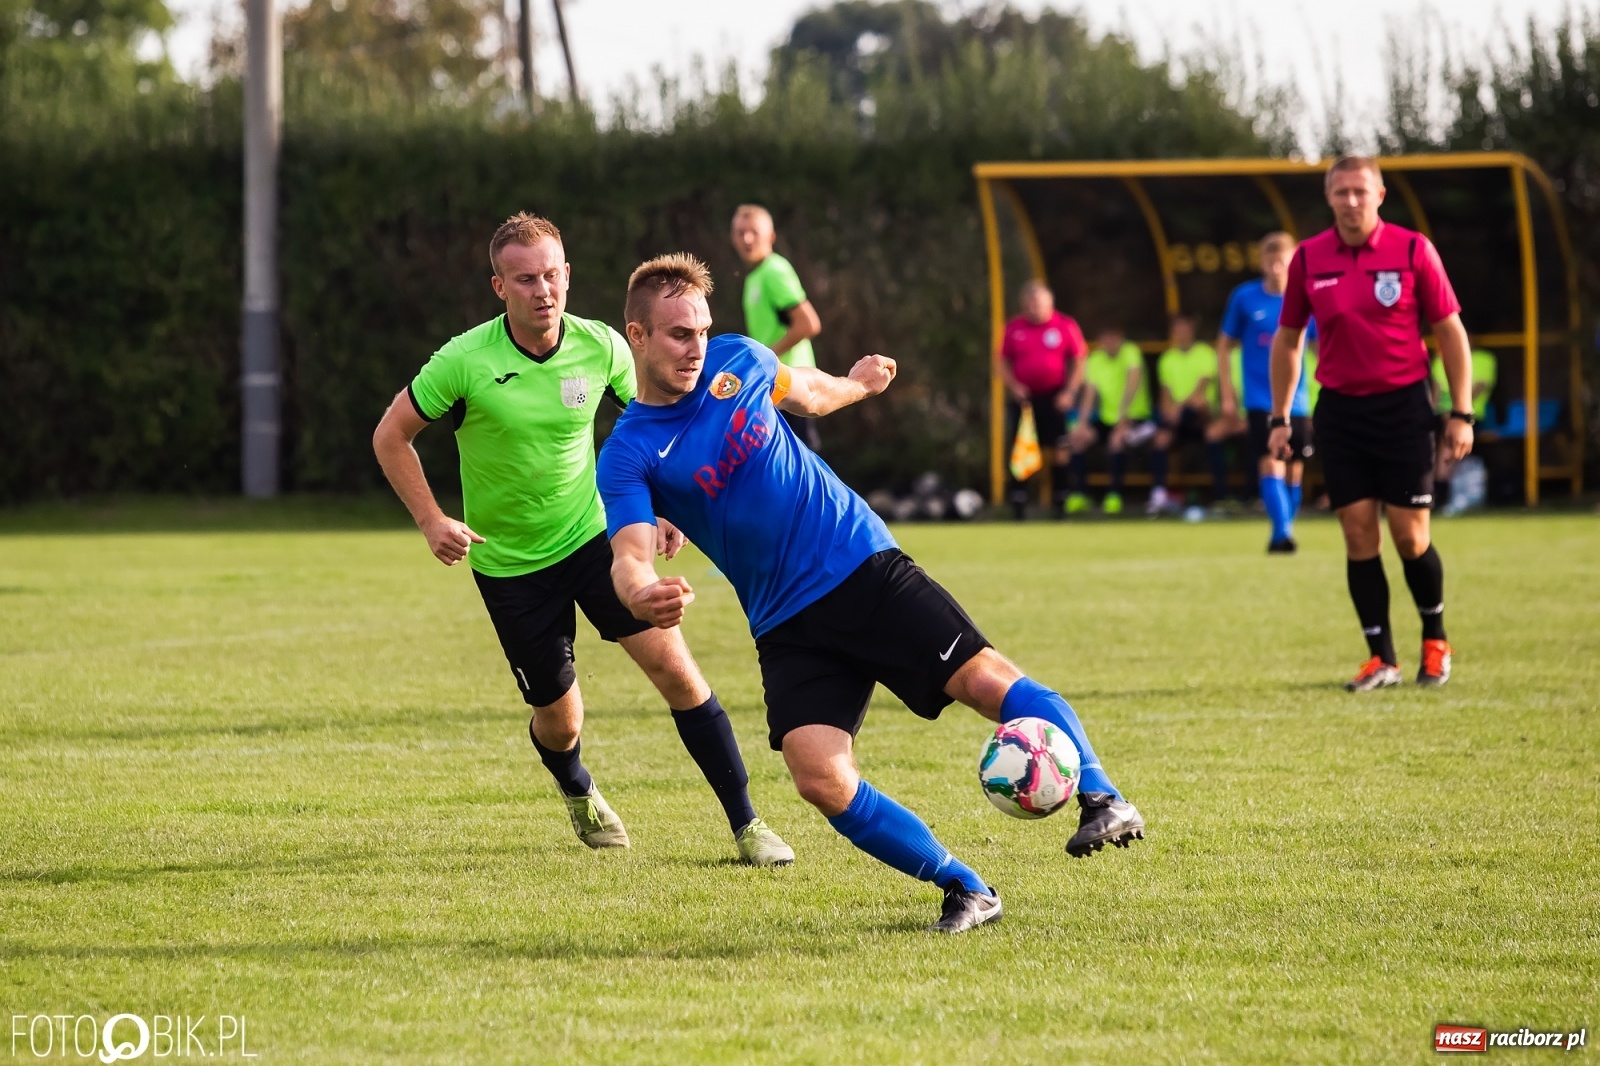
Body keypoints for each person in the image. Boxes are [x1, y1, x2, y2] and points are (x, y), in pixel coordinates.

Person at [597, 254, 1144, 934]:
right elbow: (628, 553)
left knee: (984, 681)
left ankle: (1102, 795)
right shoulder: (628, 453)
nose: (696, 346)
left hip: (858, 561)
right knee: (817, 775)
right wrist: (642, 594)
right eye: (679, 334)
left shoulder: (741, 360)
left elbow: (811, 393)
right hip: (784, 619)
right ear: (638, 336)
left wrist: (856, 386)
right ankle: (966, 887)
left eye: (703, 330)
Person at [372, 213, 793, 865]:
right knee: (562, 720)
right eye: (525, 279)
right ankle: (577, 786)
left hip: (597, 541)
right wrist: (432, 519)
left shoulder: (601, 346)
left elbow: (656, 420)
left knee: (677, 671)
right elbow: (390, 435)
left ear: (568, 275)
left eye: (551, 275)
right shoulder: (464, 361)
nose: (542, 290)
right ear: (499, 286)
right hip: (511, 566)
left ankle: (748, 825)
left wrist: (663, 503)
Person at [1268, 157, 1474, 690]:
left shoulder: (1412, 249)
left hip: (1404, 409)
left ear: (1380, 194)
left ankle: (1435, 640)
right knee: (1359, 535)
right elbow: (1288, 340)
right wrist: (1281, 415)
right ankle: (1381, 658)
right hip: (1339, 410)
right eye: (1341, 192)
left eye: (1361, 190)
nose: (1351, 201)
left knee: (1409, 536)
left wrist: (1461, 412)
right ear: (1329, 197)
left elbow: (1450, 332)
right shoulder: (1309, 258)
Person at [1218, 232, 1318, 552]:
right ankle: (1283, 532)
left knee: (1295, 470)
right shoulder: (1244, 298)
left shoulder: (1305, 297)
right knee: (1270, 460)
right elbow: (1224, 345)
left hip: (1300, 399)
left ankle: (1283, 528)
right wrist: (1228, 394)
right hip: (1263, 400)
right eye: (1270, 259)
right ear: (1261, 262)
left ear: (1293, 260)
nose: (1276, 265)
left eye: (1282, 258)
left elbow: (1319, 347)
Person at [731, 204, 824, 451]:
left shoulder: (775, 270)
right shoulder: (755, 277)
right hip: (777, 386)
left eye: (753, 232)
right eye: (740, 233)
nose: (746, 239)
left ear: (770, 237)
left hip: (795, 383)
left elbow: (808, 323)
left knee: (802, 462)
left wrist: (766, 357)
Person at [999, 279, 1088, 518]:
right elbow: (1002, 362)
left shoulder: (1065, 326)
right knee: (1022, 451)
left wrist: (1069, 392)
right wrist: (1014, 386)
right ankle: (1019, 506)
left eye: (1037, 302)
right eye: (1029, 302)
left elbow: (1078, 360)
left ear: (1050, 303)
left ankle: (1061, 504)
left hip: (1055, 397)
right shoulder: (1014, 328)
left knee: (1060, 449)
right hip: (1025, 399)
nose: (1033, 307)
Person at [1149, 313, 1243, 514]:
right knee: (1160, 439)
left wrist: (1178, 409)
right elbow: (1165, 393)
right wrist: (1169, 411)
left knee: (1199, 414)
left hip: (1202, 418)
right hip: (1178, 421)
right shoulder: (1167, 358)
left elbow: (1201, 389)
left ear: (1192, 330)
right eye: (1177, 329)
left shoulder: (1205, 353)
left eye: (1184, 328)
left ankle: (1221, 495)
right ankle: (1158, 495)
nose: (1181, 333)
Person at [1065, 325, 1153, 515]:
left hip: (1136, 417)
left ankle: (1115, 495)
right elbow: (1090, 393)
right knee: (1078, 439)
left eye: (1113, 336)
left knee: (1116, 440)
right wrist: (1081, 424)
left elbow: (1133, 381)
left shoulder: (1130, 352)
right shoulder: (1095, 359)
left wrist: (1123, 414)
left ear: (1121, 337)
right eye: (1105, 336)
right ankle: (1081, 494)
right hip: (1107, 418)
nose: (1109, 341)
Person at [1430, 346, 1497, 501]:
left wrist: (1458, 414)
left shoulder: (1484, 359)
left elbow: (1480, 387)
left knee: (1449, 435)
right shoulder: (1439, 361)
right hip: (1445, 417)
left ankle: (1441, 490)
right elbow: (1435, 398)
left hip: (1471, 416)